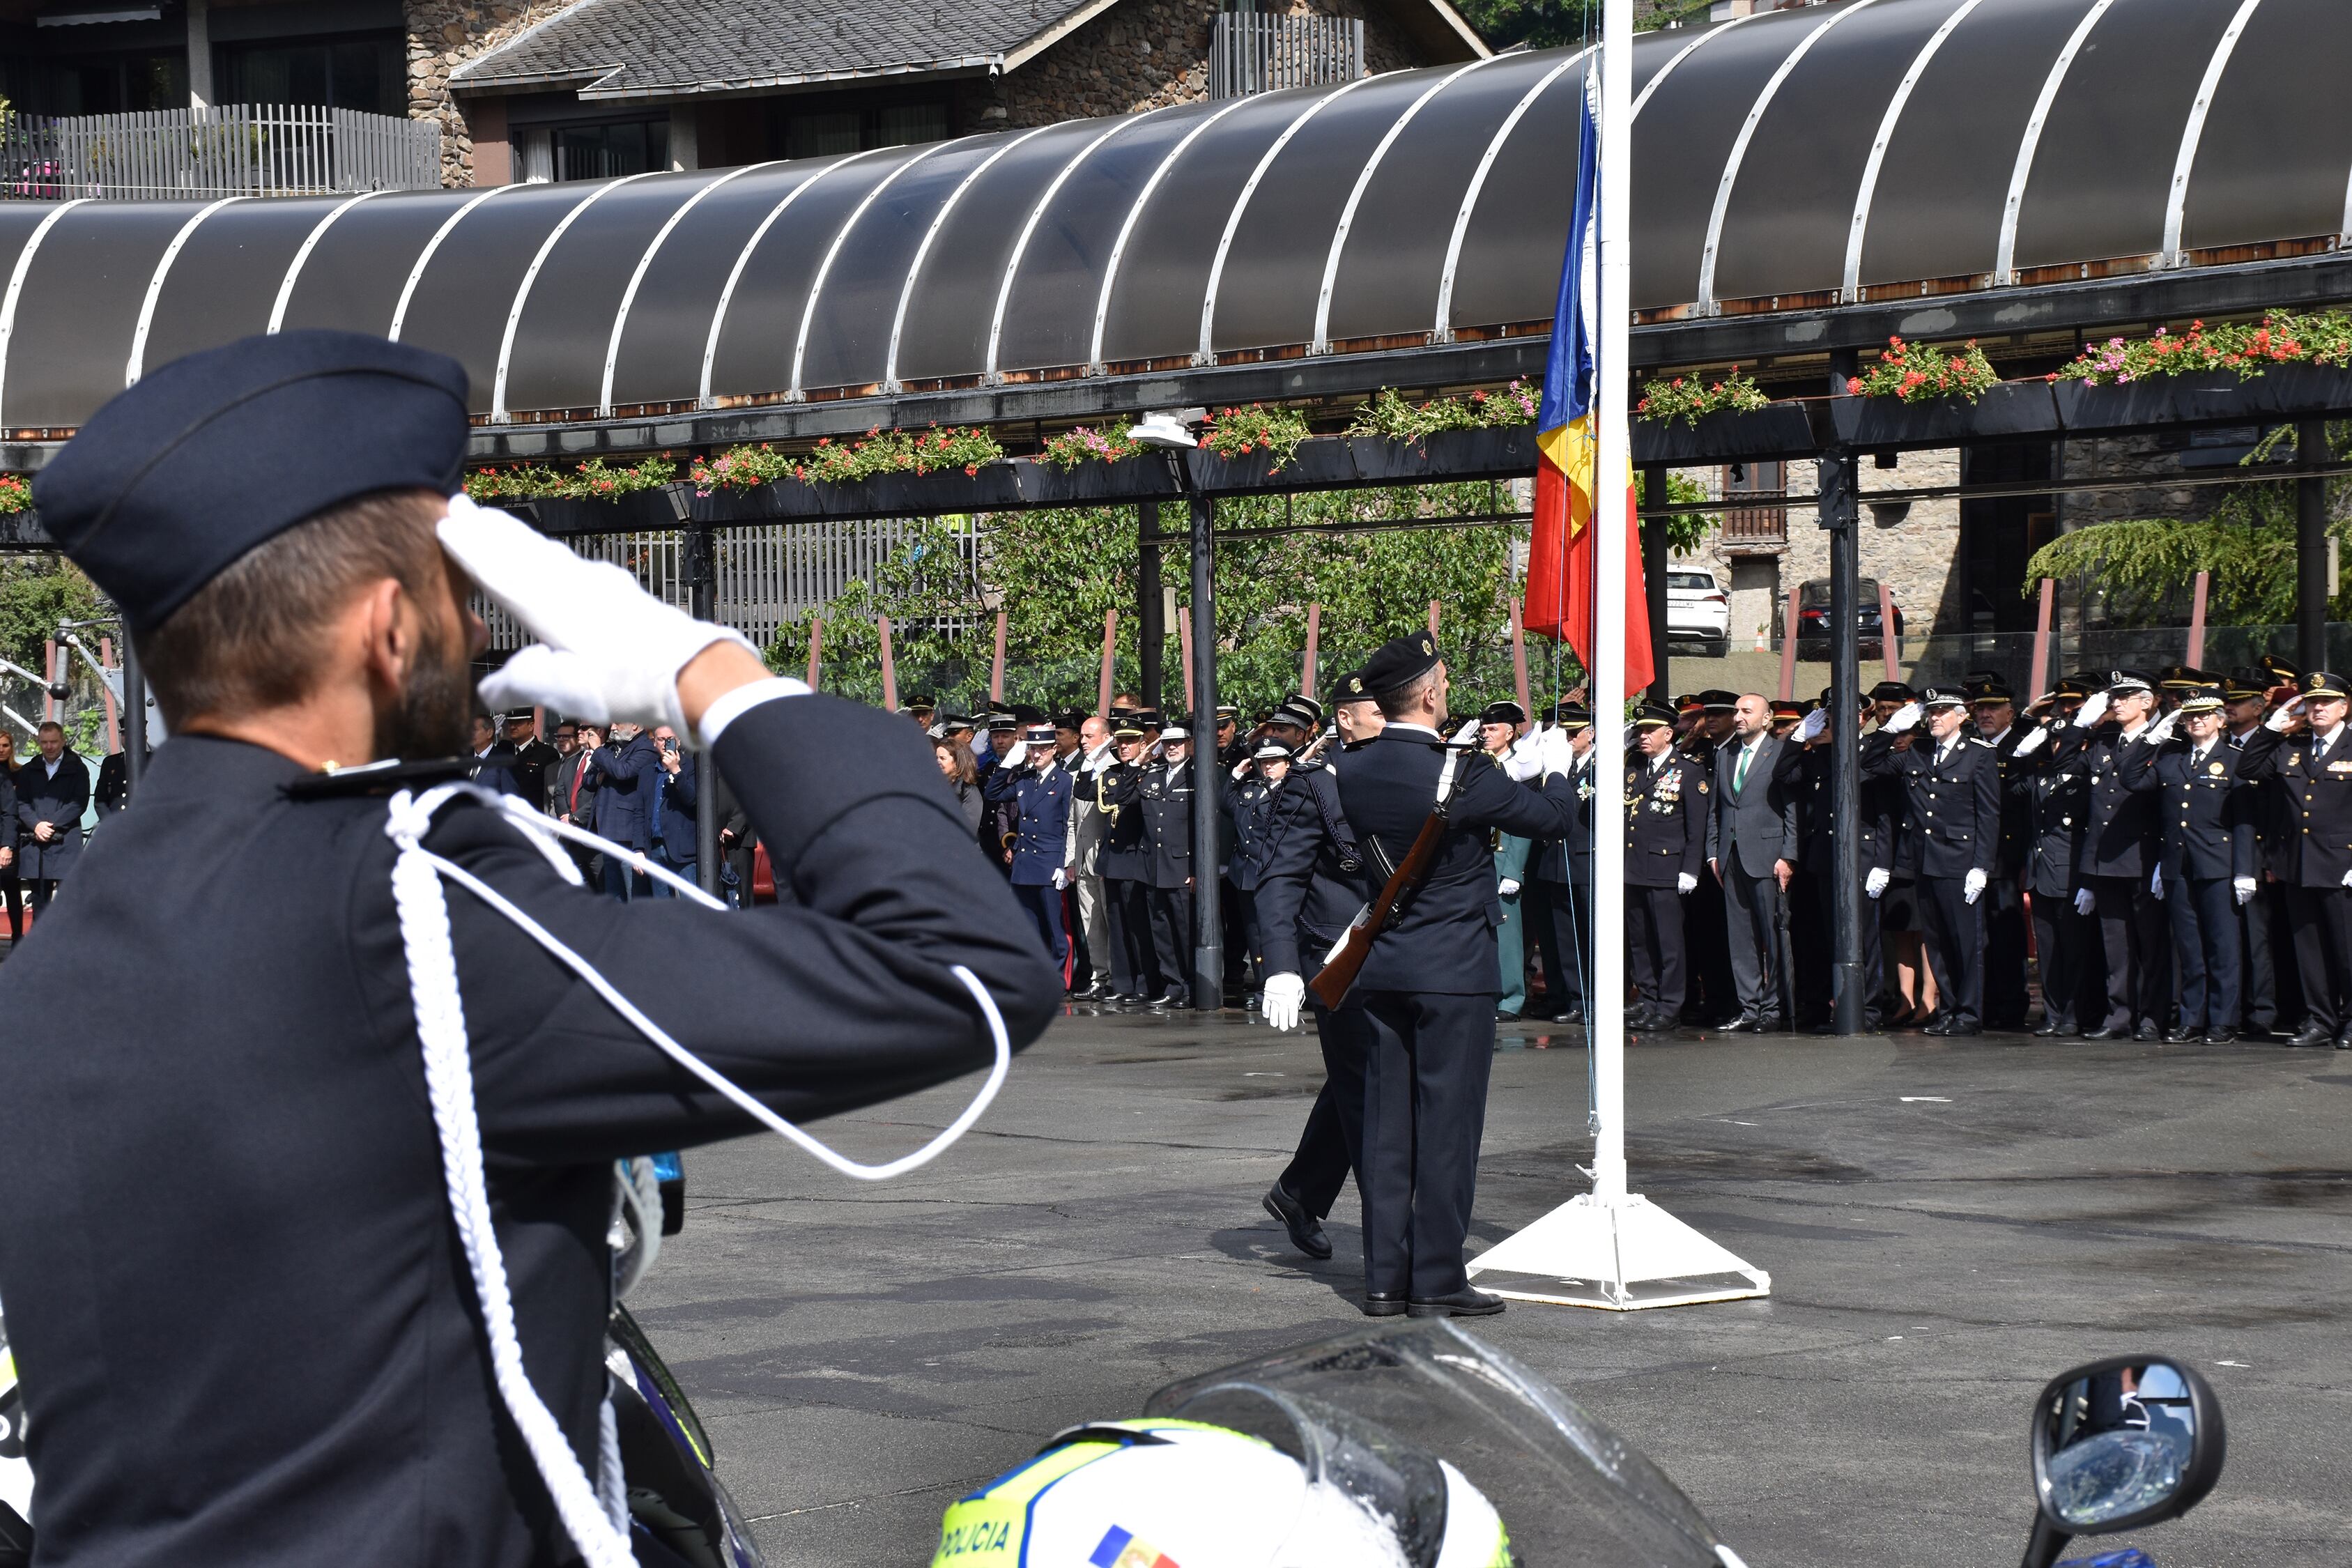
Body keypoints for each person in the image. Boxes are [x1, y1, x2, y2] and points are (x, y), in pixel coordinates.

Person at [0, 328, 1058, 1568]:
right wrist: (723, 678)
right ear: (391, 627)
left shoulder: (70, 944)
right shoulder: (404, 912)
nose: (483, 634)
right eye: (462, 597)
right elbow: (958, 970)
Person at [1325, 633, 1575, 1318]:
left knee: (1385, 1129)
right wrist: (1558, 770)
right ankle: (1435, 1278)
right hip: (1455, 971)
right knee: (1447, 1128)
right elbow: (1553, 822)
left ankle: (1383, 1280)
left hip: (1383, 967)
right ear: (1432, 695)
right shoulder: (1463, 774)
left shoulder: (1352, 769)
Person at [1255, 669, 1381, 1261]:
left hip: (1394, 948)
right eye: (1371, 711)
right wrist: (1280, 965)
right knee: (1365, 1083)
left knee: (1364, 1080)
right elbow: (1280, 879)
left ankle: (1300, 1191)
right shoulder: (1314, 782)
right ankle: (1394, 1238)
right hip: (1333, 951)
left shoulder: (1416, 768)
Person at [1864, 689, 2001, 1035]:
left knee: (1965, 943)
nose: (1935, 717)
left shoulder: (1978, 755)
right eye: (1932, 712)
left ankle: (1969, 1013)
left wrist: (1981, 866)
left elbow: (1988, 815)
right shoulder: (1918, 752)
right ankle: (1950, 1010)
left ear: (1961, 716)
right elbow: (1870, 764)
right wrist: (1888, 731)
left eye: (1943, 711)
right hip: (1923, 861)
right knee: (1937, 943)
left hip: (1960, 862)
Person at [2232, 670, 2352, 1047]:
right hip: (2297, 865)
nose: (2318, 708)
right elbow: (2248, 769)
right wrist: (2270, 729)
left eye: (2326, 702)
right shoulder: (2291, 746)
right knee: (2310, 952)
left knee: (2347, 951)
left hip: (2342, 866)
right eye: (2312, 702)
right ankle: (2321, 1020)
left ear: (2344, 708)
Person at [2057, 672, 2174, 1040]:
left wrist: (2161, 860)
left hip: (2144, 856)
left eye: (2125, 696)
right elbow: (2062, 767)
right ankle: (2119, 1015)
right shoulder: (2104, 740)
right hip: (2106, 858)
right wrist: (2080, 724)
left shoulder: (2166, 742)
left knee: (2152, 945)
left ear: (2147, 701)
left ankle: (2154, 1016)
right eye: (2114, 697)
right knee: (2116, 946)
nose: (2116, 703)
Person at [2149, 684, 2253, 1043]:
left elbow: (2244, 820)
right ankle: (2192, 1019)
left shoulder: (2237, 759)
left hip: (2218, 864)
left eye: (2203, 715)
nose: (2195, 721)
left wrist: (2245, 870)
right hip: (2178, 864)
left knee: (2223, 947)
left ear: (2220, 721)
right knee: (2189, 947)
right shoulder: (2172, 759)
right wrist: (2151, 740)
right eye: (2189, 716)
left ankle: (2223, 1020)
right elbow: (2132, 780)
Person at [1706, 693, 1800, 1033]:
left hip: (1767, 856)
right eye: (1737, 711)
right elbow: (1717, 808)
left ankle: (1773, 1009)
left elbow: (1791, 808)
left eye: (1747, 711)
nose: (1739, 717)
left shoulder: (1779, 753)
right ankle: (1749, 1006)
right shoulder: (1726, 754)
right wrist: (1713, 852)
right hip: (1731, 857)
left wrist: (1788, 855)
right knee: (1740, 938)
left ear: (1767, 717)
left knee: (1773, 936)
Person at [2012, 679, 2094, 1036]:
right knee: (2047, 951)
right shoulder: (2042, 777)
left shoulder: (2085, 775)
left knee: (2074, 950)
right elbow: (2012, 783)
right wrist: (2027, 736)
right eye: (2054, 740)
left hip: (2070, 874)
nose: (2058, 746)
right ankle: (2054, 1012)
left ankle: (2075, 1014)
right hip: (2041, 873)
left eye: (2064, 740)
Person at [1102, 716, 1197, 1009]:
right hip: (1152, 867)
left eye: (1178, 742)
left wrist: (1197, 871)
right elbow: (1123, 797)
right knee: (1162, 932)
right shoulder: (1152, 774)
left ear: (1190, 745)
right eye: (1168, 743)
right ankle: (1173, 985)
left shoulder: (1198, 776)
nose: (1172, 748)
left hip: (1182, 867)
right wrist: (1136, 764)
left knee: (1185, 932)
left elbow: (1204, 826)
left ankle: (1193, 987)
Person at [2222, 668, 2296, 1038]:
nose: (2229, 708)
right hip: (2220, 854)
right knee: (2228, 939)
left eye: (2237, 703)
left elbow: (2279, 808)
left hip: (2260, 854)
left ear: (2259, 706)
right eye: (2227, 703)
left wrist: (2268, 858)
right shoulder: (2220, 746)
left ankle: (2264, 1009)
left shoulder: (2276, 745)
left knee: (2259, 939)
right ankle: (2231, 1008)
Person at [1626, 702, 1705, 1031]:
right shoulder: (1633, 767)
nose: (1642, 736)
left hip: (1666, 867)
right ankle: (1648, 999)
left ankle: (1670, 1006)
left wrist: (1690, 869)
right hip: (1632, 867)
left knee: (1668, 942)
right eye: (1640, 730)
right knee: (1640, 940)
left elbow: (1696, 825)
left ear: (1668, 734)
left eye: (1649, 731)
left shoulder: (1688, 769)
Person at [984, 721, 1075, 982]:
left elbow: (1067, 825)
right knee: (1029, 927)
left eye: (1043, 749)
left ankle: (1059, 979)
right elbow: (993, 793)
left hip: (1049, 863)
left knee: (1055, 928)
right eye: (1033, 749)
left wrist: (1063, 863)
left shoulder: (1065, 780)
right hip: (1025, 863)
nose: (1037, 754)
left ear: (1054, 750)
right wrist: (1006, 765)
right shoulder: (1024, 780)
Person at [1522, 702, 1594, 1024]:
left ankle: (1592, 998)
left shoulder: (1600, 768)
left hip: (1586, 861)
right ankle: (1569, 996)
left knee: (1589, 935)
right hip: (1556, 860)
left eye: (1573, 734)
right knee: (1561, 936)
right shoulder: (1559, 768)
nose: (1567, 741)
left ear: (1589, 734)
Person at [1969, 682, 2034, 1031]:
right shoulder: (1973, 747)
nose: (1985, 714)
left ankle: (2011, 1006)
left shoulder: (2020, 747)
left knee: (2007, 937)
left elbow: (2021, 806)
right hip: (1973, 856)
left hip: (2006, 858)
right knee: (1980, 938)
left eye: (1993, 708)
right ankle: (1986, 1002)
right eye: (1980, 708)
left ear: (2010, 713)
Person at [1223, 738, 1293, 1004]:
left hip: (1273, 872)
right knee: (1254, 934)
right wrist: (1238, 774)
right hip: (1245, 873)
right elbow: (1226, 803)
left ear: (1287, 764)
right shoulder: (1251, 789)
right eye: (1264, 762)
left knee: (1274, 931)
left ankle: (1280, 983)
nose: (1268, 766)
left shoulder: (1291, 791)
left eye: (1274, 761)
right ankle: (1263, 985)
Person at [1476, 702, 1535, 1020]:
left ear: (1510, 733)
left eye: (1493, 729)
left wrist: (1514, 869)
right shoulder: (1479, 764)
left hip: (1503, 856)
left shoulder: (1521, 767)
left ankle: (1510, 998)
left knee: (1507, 933)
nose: (1486, 734)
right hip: (1477, 857)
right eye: (1483, 729)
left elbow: (1522, 820)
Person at [1063, 714, 1117, 999]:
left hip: (1105, 858)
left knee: (1111, 918)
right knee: (1091, 921)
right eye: (1082, 737)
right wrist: (1071, 860)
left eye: (1089, 737)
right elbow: (1073, 822)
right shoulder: (1080, 771)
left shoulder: (1114, 768)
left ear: (1106, 738)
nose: (1083, 742)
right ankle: (1100, 976)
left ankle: (1118, 976)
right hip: (1084, 859)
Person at [16, 720, 89, 921]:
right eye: (44, 742)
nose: (49, 747)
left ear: (63, 741)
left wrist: (50, 826)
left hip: (66, 843)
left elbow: (78, 803)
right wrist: (37, 825)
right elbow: (21, 803)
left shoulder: (78, 769)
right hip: (36, 844)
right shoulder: (29, 769)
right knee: (39, 906)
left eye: (54, 742)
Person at [585, 718, 663, 900]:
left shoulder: (645, 748)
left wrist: (598, 750)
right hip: (608, 830)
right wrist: (601, 773)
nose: (612, 728)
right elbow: (587, 781)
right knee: (614, 893)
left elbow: (623, 772)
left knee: (633, 892)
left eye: (617, 724)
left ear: (635, 725)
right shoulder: (612, 749)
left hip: (628, 833)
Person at [647, 723, 698, 895]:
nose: (665, 743)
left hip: (682, 848)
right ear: (654, 742)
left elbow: (693, 800)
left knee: (691, 906)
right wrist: (639, 848)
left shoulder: (691, 766)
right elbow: (640, 810)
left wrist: (676, 771)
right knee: (663, 910)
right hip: (655, 848)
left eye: (670, 740)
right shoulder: (648, 770)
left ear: (678, 741)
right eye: (661, 739)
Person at [498, 709, 560, 810]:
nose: (513, 727)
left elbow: (551, 792)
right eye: (510, 723)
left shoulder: (547, 754)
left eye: (518, 723)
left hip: (531, 813)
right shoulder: (503, 748)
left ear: (531, 725)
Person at [934, 731, 985, 841]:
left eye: (942, 758)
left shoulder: (969, 791)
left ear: (957, 762)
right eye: (936, 758)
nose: (937, 762)